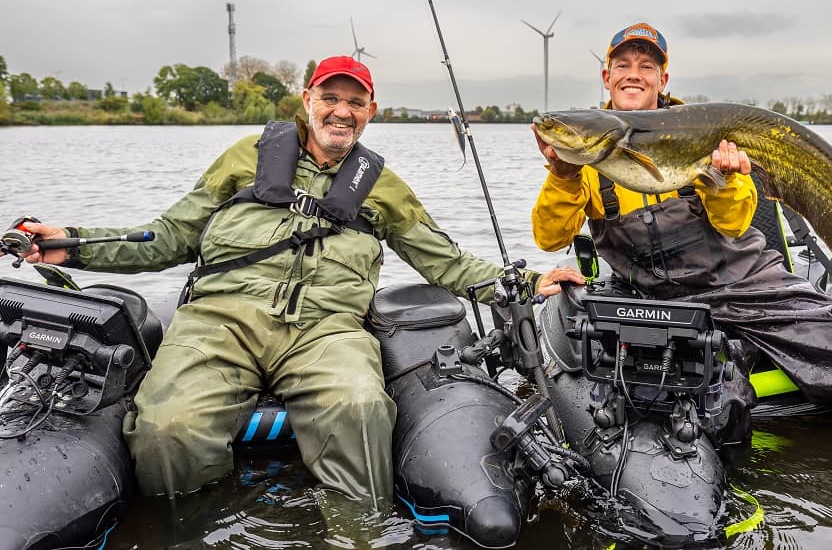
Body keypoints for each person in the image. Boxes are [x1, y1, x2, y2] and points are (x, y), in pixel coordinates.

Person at [10, 55, 584, 510]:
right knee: (165, 429)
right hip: (219, 321)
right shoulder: (245, 156)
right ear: (307, 100)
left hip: (326, 330)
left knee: (360, 407)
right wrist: (73, 243)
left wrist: (531, 282)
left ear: (370, 111)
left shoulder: (384, 188)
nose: (340, 111)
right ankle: (192, 519)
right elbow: (167, 236)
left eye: (354, 102)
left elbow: (446, 262)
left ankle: (353, 529)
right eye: (329, 98)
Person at [531, 23, 832, 429]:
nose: (634, 73)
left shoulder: (705, 131)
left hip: (749, 285)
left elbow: (734, 226)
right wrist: (562, 174)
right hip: (661, 304)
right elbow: (550, 238)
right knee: (712, 402)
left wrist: (721, 179)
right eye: (623, 64)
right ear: (606, 76)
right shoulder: (584, 160)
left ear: (662, 79)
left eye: (647, 65)